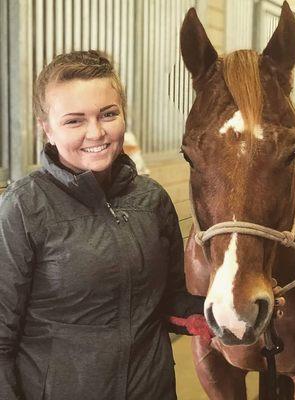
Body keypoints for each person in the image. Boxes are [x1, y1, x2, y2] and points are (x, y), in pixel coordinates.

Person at [0, 50, 212, 400]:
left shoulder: (151, 199)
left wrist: (227, 312)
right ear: (46, 129)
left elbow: (173, 298)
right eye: (74, 121)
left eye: (108, 114)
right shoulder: (24, 207)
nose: (96, 132)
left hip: (152, 389)